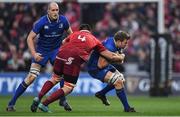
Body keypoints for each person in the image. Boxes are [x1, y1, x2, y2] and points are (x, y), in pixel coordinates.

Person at [30, 24, 125, 113]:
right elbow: (109, 56)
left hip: (60, 55)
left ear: (80, 30)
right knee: (68, 87)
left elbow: (63, 42)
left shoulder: (74, 34)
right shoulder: (94, 39)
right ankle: (44, 104)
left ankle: (38, 97)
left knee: (55, 78)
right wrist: (120, 57)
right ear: (89, 31)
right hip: (73, 58)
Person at [6, 2, 73, 112]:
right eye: (53, 10)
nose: (55, 12)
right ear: (48, 11)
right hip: (42, 51)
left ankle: (63, 100)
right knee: (31, 77)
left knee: (63, 73)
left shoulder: (63, 20)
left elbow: (71, 35)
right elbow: (29, 38)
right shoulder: (41, 22)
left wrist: (66, 44)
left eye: (57, 10)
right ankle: (11, 103)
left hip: (56, 51)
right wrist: (34, 54)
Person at [87, 31, 136, 112]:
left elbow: (120, 61)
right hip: (95, 68)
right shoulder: (109, 47)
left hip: (104, 65)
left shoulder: (116, 44)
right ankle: (127, 108)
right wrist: (119, 57)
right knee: (118, 81)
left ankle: (101, 93)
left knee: (121, 79)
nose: (126, 45)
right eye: (125, 43)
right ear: (119, 41)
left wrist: (117, 57)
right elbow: (101, 65)